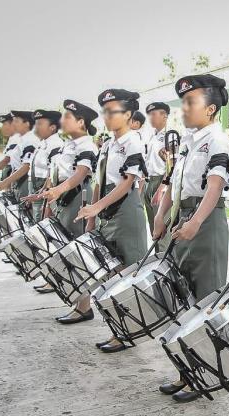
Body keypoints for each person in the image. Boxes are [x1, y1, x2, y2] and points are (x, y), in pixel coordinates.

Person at [153, 74, 229, 401]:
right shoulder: (188, 141)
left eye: (191, 102)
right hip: (181, 222)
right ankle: (186, 371)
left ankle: (203, 377)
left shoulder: (219, 140)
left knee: (203, 303)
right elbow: (173, 185)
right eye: (183, 102)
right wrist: (160, 216)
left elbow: (215, 186)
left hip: (205, 223)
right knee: (183, 302)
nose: (184, 108)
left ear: (211, 108)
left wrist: (195, 222)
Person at [75, 89, 149, 350]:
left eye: (112, 111)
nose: (106, 116)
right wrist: (93, 216)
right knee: (109, 275)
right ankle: (119, 330)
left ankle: (127, 333)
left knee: (126, 276)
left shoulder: (134, 142)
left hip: (126, 212)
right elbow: (100, 181)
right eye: (104, 112)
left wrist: (97, 207)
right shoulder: (107, 144)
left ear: (128, 115)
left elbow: (128, 182)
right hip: (106, 211)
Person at [36, 100, 99, 319]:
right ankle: (79, 303)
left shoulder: (86, 145)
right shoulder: (67, 145)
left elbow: (81, 173)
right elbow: (56, 175)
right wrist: (49, 201)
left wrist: (57, 192)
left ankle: (85, 306)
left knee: (78, 252)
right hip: (62, 200)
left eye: (68, 117)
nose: (63, 121)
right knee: (66, 250)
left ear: (81, 122)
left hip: (77, 199)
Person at [22, 110, 64, 221]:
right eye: (36, 123)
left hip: (45, 194)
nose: (36, 127)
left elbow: (53, 175)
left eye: (40, 124)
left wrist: (43, 200)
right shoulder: (42, 144)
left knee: (42, 227)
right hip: (36, 192)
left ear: (53, 127)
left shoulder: (56, 144)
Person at [142, 102, 171, 236]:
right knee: (153, 229)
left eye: (154, 114)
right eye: (149, 115)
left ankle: (164, 256)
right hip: (149, 182)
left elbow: (171, 166)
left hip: (160, 183)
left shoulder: (169, 137)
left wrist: (161, 188)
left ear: (164, 115)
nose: (150, 118)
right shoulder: (152, 136)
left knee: (161, 232)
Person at [0, 111, 40, 200]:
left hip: (25, 180)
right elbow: (15, 165)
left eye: (16, 121)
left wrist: (6, 182)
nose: (13, 124)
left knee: (25, 210)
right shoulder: (21, 140)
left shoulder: (30, 140)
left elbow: (27, 166)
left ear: (27, 124)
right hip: (18, 181)